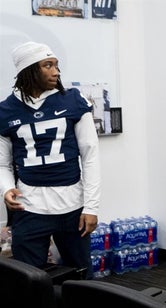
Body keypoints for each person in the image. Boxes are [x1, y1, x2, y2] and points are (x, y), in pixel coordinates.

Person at [0, 41, 101, 279]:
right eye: (48, 65)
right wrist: (6, 188)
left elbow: (91, 157)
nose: (56, 71)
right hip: (29, 206)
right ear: (29, 70)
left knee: (81, 276)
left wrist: (92, 206)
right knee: (27, 279)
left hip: (72, 206)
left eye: (56, 65)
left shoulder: (73, 101)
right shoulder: (6, 110)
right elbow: (2, 163)